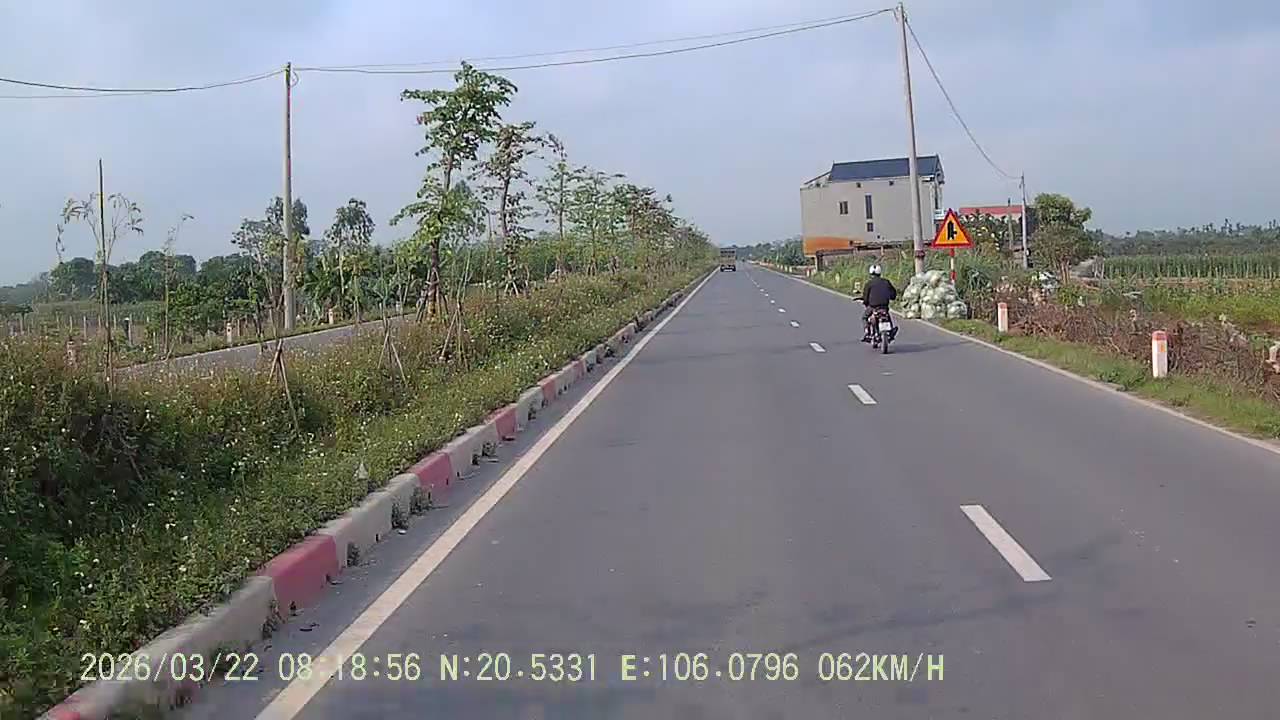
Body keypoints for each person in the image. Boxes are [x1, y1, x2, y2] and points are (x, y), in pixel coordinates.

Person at [860, 264, 897, 342]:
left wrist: (865, 302)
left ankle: (867, 332)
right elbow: (893, 294)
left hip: (873, 307)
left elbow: (865, 297)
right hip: (884, 307)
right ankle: (891, 330)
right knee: (888, 316)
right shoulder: (886, 282)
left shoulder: (869, 284)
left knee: (864, 317)